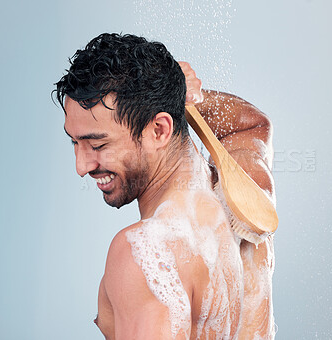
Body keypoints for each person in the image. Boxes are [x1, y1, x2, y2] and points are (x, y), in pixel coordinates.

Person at [55, 33, 276, 339]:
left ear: (159, 130)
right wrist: (183, 97)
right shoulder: (242, 190)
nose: (82, 167)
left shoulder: (145, 252)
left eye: (97, 144)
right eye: (74, 142)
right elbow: (252, 124)